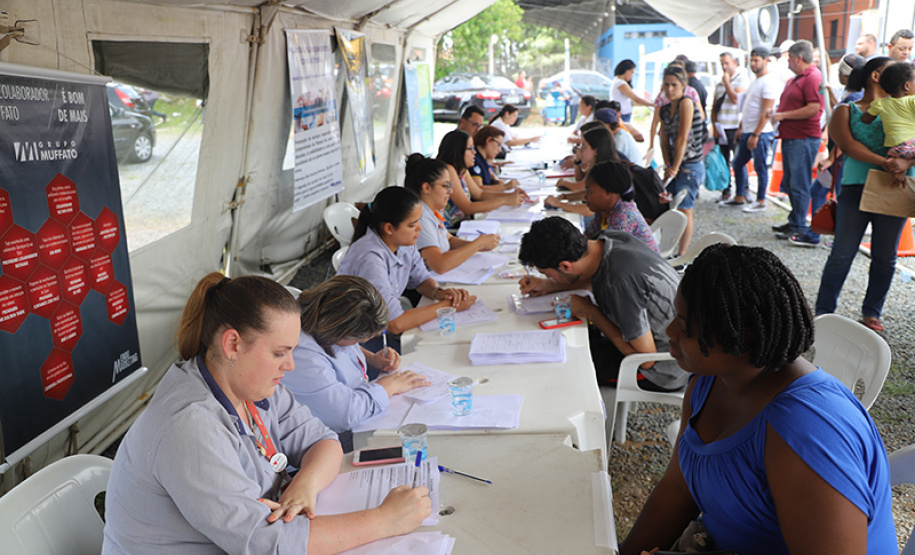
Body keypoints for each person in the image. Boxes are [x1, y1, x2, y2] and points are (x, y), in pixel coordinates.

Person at [102, 274, 432, 554]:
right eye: (279, 353)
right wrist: (384, 520)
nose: (289, 365)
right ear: (232, 344)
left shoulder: (251, 386)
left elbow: (324, 441)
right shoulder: (188, 427)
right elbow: (265, 542)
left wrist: (305, 485)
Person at [619, 244, 897, 555]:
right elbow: (678, 490)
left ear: (743, 338)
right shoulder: (706, 383)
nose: (669, 331)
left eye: (685, 326)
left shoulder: (807, 428)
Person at [518, 217, 686, 392]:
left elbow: (646, 359)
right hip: (652, 339)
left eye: (548, 274)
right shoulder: (608, 240)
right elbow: (593, 278)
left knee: (565, 366)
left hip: (664, 367)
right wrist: (549, 286)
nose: (549, 278)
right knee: (574, 341)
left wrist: (591, 313)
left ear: (566, 266)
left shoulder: (619, 282)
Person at [816, 57, 915, 332]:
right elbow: (847, 146)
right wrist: (888, 163)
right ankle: (824, 310)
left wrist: (906, 162)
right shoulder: (846, 110)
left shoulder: (908, 106)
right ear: (875, 75)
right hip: (856, 188)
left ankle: (872, 312)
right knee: (841, 254)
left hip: (896, 187)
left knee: (886, 256)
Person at [284, 276, 430, 449]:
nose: (359, 344)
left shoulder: (317, 312)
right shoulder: (302, 355)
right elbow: (343, 414)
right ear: (337, 332)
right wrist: (388, 386)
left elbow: (343, 348)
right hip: (321, 439)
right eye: (358, 339)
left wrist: (371, 358)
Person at [338, 186, 476, 345]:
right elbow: (394, 323)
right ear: (389, 228)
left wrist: (439, 293)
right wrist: (448, 306)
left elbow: (421, 279)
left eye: (419, 221)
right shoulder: (370, 257)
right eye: (412, 224)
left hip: (377, 330)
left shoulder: (403, 242)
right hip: (357, 340)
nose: (420, 228)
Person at [404, 153, 500, 274]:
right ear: (427, 188)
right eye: (445, 186)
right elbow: (439, 265)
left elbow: (449, 239)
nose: (451, 191)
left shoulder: (432, 211)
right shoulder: (420, 217)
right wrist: (477, 244)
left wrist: (479, 246)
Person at [771, 39, 825, 247]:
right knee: (793, 182)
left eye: (790, 59)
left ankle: (800, 224)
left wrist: (784, 115)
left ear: (799, 58)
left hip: (802, 138)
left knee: (799, 183)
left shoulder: (812, 77)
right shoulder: (799, 78)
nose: (788, 63)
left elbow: (813, 108)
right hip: (793, 137)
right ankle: (795, 220)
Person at [659, 65, 706, 256]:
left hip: (690, 164)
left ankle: (682, 255)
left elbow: (682, 138)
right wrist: (669, 165)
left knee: (685, 209)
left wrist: (675, 167)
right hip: (675, 164)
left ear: (683, 85)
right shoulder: (664, 109)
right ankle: (665, 250)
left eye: (674, 84)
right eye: (666, 84)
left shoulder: (687, 102)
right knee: (664, 207)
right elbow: (663, 140)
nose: (670, 89)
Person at [436, 129, 525, 228]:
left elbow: (479, 194)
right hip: (448, 231)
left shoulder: (462, 170)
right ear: (458, 151)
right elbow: (468, 207)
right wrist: (505, 200)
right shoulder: (448, 170)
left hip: (461, 225)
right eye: (470, 148)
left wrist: (509, 196)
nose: (474, 152)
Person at [729, 46, 781, 211]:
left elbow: (767, 112)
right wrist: (741, 127)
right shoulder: (756, 81)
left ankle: (760, 200)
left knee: (760, 167)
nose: (753, 63)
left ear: (766, 61)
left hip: (761, 133)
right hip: (747, 130)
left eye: (756, 60)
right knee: (737, 163)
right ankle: (740, 196)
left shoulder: (769, 82)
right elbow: (748, 108)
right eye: (751, 60)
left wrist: (755, 134)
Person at [581, 160, 660, 251]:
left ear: (608, 191)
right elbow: (587, 238)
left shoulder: (623, 215)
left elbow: (606, 252)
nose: (585, 197)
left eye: (589, 191)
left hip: (643, 264)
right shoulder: (602, 212)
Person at [862, 61, 915, 185]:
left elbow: (866, 119)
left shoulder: (881, 103)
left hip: (895, 148)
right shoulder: (912, 101)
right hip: (912, 144)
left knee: (890, 160)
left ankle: (898, 174)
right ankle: (902, 170)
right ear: (907, 86)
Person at [712, 52, 749, 203]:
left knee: (739, 160)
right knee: (724, 159)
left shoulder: (742, 79)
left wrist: (727, 83)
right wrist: (714, 125)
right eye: (722, 64)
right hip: (722, 126)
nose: (724, 67)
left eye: (727, 63)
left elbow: (735, 99)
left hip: (735, 126)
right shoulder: (719, 84)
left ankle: (743, 190)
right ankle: (726, 189)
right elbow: (714, 107)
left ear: (734, 62)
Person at [468, 125, 518, 190]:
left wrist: (495, 179)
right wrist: (506, 186)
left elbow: (490, 172)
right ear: (488, 140)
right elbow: (478, 190)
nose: (500, 150)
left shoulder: (482, 158)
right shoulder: (474, 159)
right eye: (498, 145)